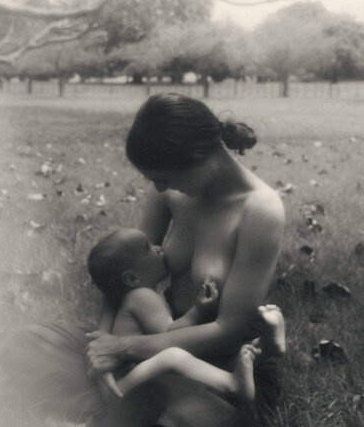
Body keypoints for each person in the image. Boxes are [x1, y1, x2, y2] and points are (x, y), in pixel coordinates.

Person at [86, 92, 286, 426]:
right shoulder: (169, 190)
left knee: (180, 413)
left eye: (163, 177)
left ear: (200, 156)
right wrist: (101, 346)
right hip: (154, 336)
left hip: (218, 367)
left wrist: (123, 348)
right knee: (33, 345)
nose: (159, 187)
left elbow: (228, 330)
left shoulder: (259, 209)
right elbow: (125, 271)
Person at [86, 227, 262, 406]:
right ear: (131, 279)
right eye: (148, 248)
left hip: (125, 381)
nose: (158, 248)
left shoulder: (137, 297)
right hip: (121, 387)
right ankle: (232, 384)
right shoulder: (142, 297)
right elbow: (169, 334)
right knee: (173, 356)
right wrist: (198, 312)